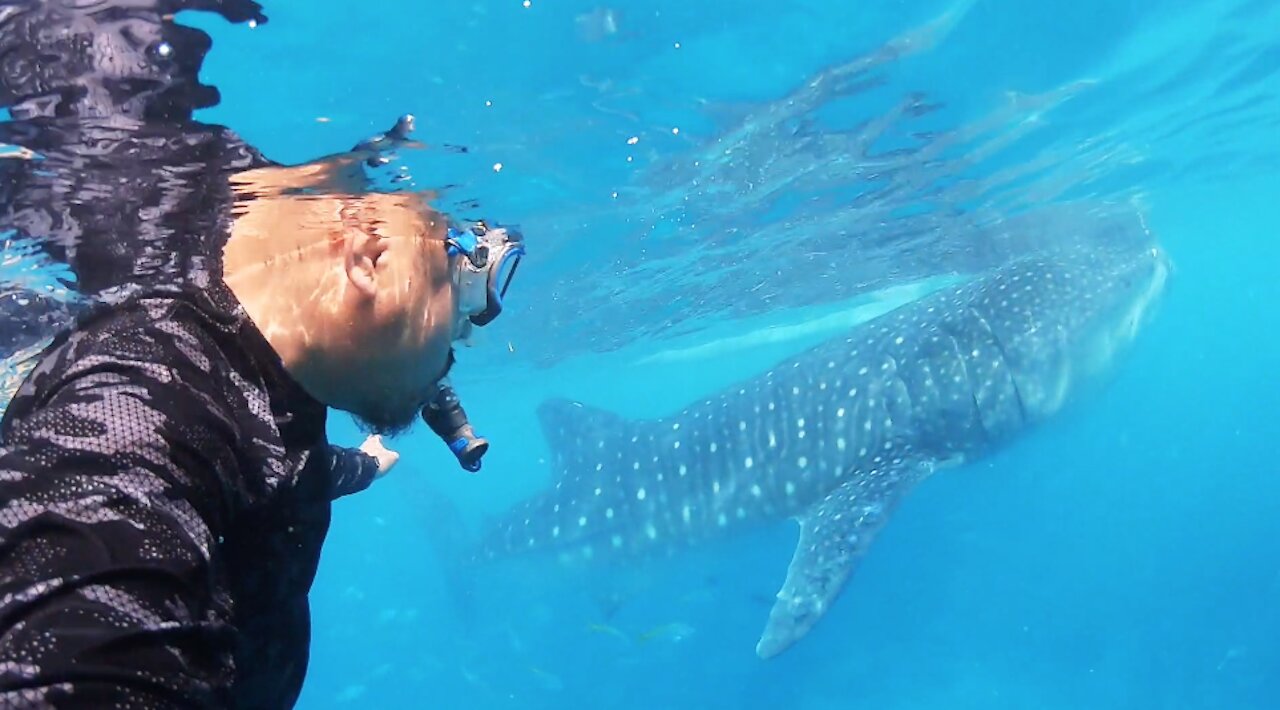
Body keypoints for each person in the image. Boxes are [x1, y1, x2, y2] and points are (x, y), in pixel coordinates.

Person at [0, 0, 523, 707]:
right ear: (368, 253)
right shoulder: (145, 401)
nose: (467, 333)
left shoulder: (272, 374)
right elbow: (81, 615)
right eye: (466, 289)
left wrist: (360, 467)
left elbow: (266, 469)